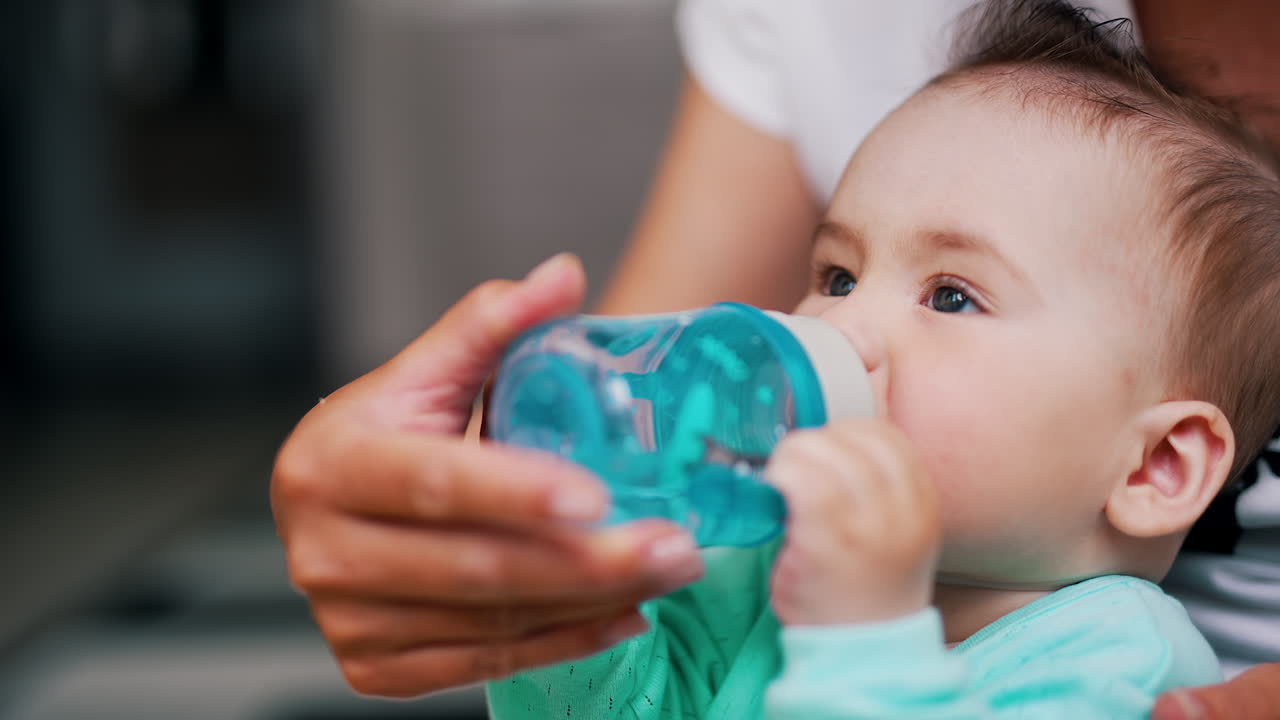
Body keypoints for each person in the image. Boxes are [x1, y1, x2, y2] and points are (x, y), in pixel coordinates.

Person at [270, 0, 1280, 717]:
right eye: (836, 273)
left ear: (1155, 468)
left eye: (951, 295)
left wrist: (860, 639)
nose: (842, 330)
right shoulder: (754, 568)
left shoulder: (1115, 665)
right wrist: (565, 605)